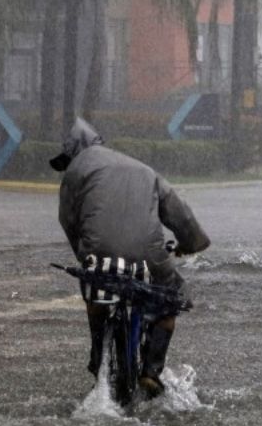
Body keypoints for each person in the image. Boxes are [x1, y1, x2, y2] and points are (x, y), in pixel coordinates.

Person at [51, 118, 211, 397]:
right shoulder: (144, 170)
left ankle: (98, 360)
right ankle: (151, 370)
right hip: (150, 257)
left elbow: (68, 220)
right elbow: (179, 213)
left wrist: (86, 256)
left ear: (74, 151)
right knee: (171, 300)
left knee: (94, 295)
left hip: (99, 256)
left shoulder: (76, 170)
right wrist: (192, 243)